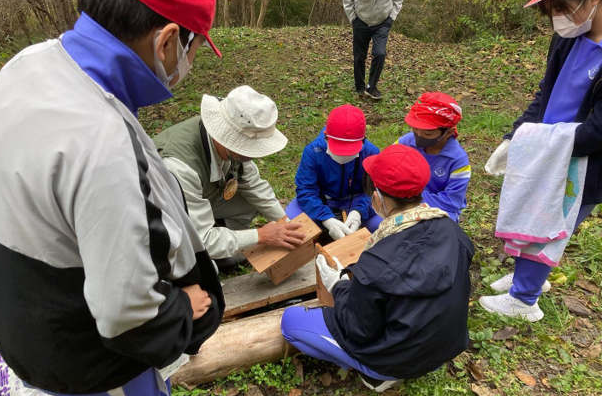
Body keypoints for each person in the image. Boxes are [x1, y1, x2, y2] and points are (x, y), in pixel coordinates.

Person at [0, 0, 226, 396]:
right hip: (85, 353)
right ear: (167, 41)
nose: (189, 65)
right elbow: (128, 315)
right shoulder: (102, 141)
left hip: (21, 298)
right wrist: (181, 310)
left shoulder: (30, 63)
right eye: (193, 48)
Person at [281, 145, 474, 392]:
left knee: (291, 322)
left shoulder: (377, 260)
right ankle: (412, 362)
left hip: (397, 358)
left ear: (377, 196)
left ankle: (378, 373)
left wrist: (337, 286)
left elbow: (359, 330)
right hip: (446, 347)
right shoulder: (454, 232)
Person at [482, 0, 602, 322]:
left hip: (585, 163)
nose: (557, 19)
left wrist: (538, 146)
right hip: (547, 149)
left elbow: (597, 132)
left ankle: (524, 299)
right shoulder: (568, 38)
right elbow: (545, 96)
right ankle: (527, 275)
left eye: (562, 8)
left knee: (552, 225)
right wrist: (516, 135)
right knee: (532, 213)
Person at [153, 86, 306, 269]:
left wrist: (289, 224)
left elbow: (254, 186)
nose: (253, 154)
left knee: (251, 202)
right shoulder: (180, 168)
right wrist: (261, 236)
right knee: (204, 270)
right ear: (227, 136)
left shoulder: (231, 143)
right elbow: (201, 238)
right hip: (164, 221)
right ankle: (217, 255)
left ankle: (227, 243)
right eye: (249, 147)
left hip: (201, 202)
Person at [286, 104, 382, 239]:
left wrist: (359, 212)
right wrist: (326, 218)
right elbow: (306, 190)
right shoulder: (313, 152)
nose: (343, 157)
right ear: (326, 136)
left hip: (357, 199)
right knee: (292, 217)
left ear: (363, 139)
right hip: (323, 199)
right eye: (339, 150)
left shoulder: (371, 152)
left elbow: (376, 190)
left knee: (381, 224)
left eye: (350, 151)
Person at [397, 92, 470, 222]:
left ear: (449, 132)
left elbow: (452, 202)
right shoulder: (405, 142)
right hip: (402, 203)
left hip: (438, 210)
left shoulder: (458, 161)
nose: (419, 136)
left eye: (428, 133)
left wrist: (410, 196)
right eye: (415, 129)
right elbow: (385, 167)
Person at [343, 0, 406, 100]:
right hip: (360, 19)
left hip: (382, 21)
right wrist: (353, 18)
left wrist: (391, 18)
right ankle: (360, 86)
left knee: (380, 53)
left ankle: (372, 88)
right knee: (359, 56)